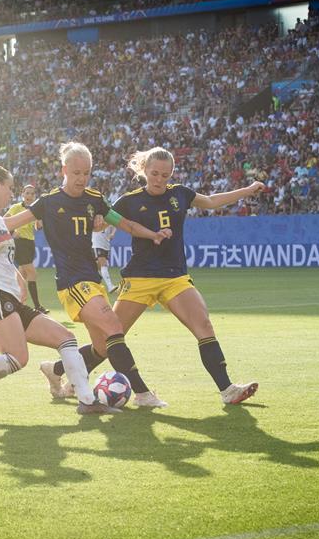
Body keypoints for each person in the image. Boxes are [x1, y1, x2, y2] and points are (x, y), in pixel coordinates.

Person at [44, 147, 262, 405]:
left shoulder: (180, 193)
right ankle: (58, 370)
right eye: (155, 173)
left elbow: (212, 201)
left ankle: (228, 390)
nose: (159, 180)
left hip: (175, 278)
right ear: (144, 170)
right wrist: (98, 221)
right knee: (106, 342)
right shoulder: (129, 201)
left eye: (165, 175)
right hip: (139, 279)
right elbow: (101, 218)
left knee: (204, 326)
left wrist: (248, 190)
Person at [0, 160, 118, 419]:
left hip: (6, 294)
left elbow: (2, 258)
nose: (12, 193)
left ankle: (87, 401)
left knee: (66, 338)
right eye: (9, 187)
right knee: (17, 357)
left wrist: (19, 280)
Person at [0, 142, 173, 408]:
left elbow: (126, 224)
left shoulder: (94, 199)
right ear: (64, 171)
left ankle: (55, 370)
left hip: (92, 279)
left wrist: (153, 234)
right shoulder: (48, 202)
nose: (82, 178)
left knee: (102, 346)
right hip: (72, 282)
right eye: (76, 173)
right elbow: (9, 223)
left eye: (86, 173)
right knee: (114, 326)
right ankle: (143, 394)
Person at [4, 184, 48, 313]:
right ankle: (37, 306)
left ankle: (17, 305)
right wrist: (12, 233)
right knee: (32, 273)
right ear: (22, 194)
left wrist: (40, 218)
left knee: (22, 275)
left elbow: (38, 227)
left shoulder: (34, 209)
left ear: (35, 196)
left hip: (29, 243)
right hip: (20, 243)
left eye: (32, 193)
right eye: (27, 193)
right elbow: (3, 221)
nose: (29, 195)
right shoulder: (16, 207)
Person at [92, 223, 118, 292]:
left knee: (98, 267)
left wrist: (112, 233)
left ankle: (96, 280)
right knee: (104, 265)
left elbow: (115, 225)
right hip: (97, 244)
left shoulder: (109, 219)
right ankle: (110, 286)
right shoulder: (97, 219)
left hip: (106, 246)